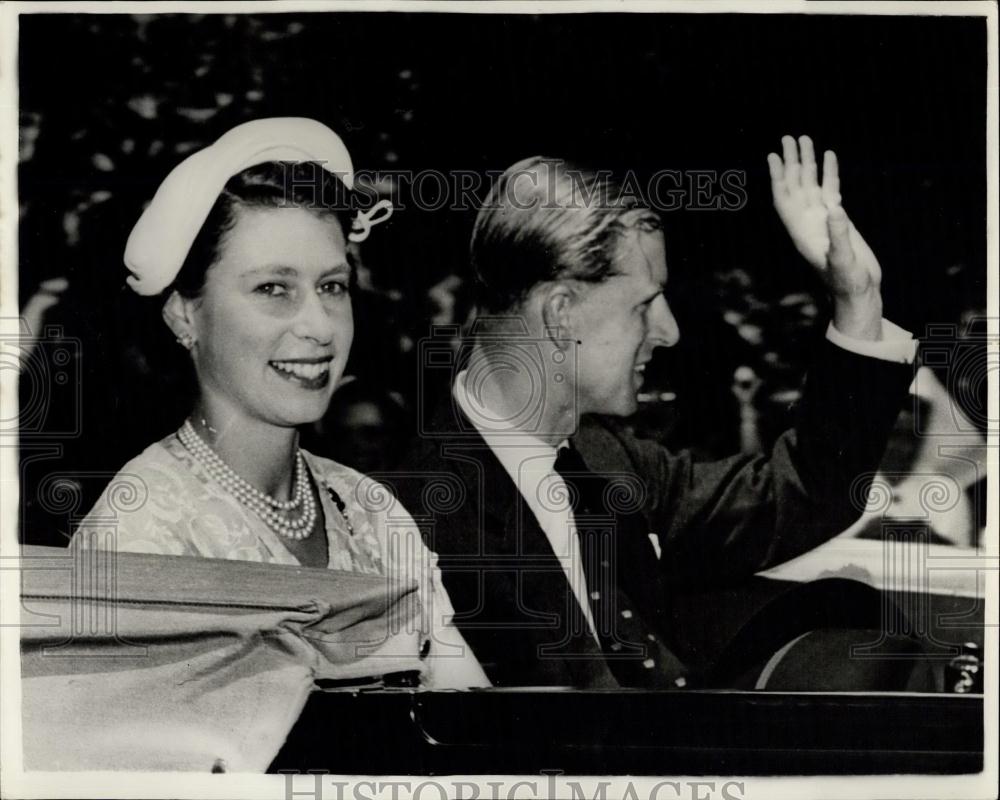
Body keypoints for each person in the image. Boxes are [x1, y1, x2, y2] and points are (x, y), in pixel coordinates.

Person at [394, 137, 919, 688]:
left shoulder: (608, 459)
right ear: (561, 313)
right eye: (645, 305)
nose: (668, 333)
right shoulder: (410, 520)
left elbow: (800, 493)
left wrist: (858, 300)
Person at [70, 117, 487, 689]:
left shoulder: (370, 510)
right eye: (274, 289)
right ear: (183, 314)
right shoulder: (138, 533)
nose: (319, 326)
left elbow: (472, 726)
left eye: (332, 287)